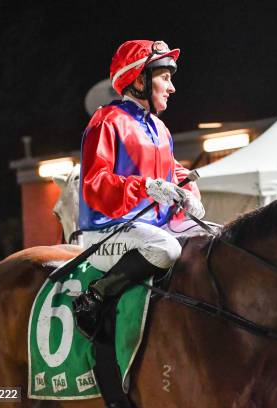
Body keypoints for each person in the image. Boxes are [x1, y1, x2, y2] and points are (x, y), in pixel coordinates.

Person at [72, 40, 206, 339]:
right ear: (139, 79)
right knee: (165, 248)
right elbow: (94, 185)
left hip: (151, 227)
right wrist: (145, 186)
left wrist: (190, 194)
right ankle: (93, 298)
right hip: (106, 231)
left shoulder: (160, 129)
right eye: (165, 77)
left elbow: (175, 172)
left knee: (215, 238)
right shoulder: (107, 120)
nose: (171, 88)